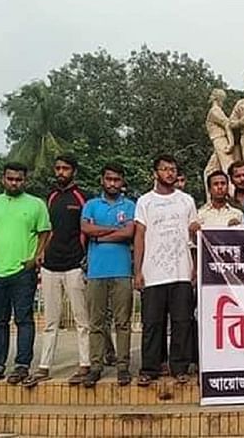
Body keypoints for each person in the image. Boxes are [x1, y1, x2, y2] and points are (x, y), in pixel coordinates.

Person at [0, 162, 51, 387]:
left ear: (25, 181)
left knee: (24, 319)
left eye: (19, 179)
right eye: (10, 179)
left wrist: (35, 258)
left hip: (21, 272)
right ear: (3, 179)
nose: (14, 183)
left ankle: (22, 365)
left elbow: (45, 233)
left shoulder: (36, 204)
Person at [24, 154, 91, 388]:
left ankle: (85, 363)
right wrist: (41, 253)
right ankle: (44, 366)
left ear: (73, 171)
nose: (61, 172)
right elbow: (46, 230)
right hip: (50, 266)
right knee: (51, 320)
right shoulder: (50, 197)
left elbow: (87, 231)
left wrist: (84, 258)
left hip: (74, 265)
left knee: (82, 319)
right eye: (58, 168)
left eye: (65, 168)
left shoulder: (82, 197)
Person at [134, 155, 198, 386]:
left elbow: (193, 236)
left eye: (173, 169)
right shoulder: (144, 202)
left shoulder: (187, 201)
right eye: (164, 169)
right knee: (152, 323)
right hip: (153, 272)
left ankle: (179, 367)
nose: (169, 173)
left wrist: (195, 268)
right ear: (155, 173)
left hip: (181, 271)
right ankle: (150, 368)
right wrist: (137, 270)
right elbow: (139, 236)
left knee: (182, 321)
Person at [80, 163, 136, 387]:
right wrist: (116, 229)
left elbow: (129, 232)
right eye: (109, 179)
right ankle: (96, 366)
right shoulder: (91, 205)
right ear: (102, 180)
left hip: (122, 271)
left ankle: (123, 365)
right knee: (97, 322)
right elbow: (86, 229)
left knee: (123, 322)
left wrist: (101, 234)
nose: (113, 183)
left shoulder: (130, 205)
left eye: (117, 179)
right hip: (96, 272)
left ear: (122, 182)